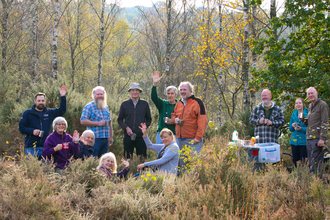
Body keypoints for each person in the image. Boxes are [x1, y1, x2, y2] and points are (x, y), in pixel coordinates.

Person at [19, 86, 67, 158]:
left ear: (45, 101)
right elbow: (21, 128)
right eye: (39, 101)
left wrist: (63, 96)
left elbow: (61, 110)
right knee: (32, 168)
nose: (41, 102)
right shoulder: (27, 113)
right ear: (35, 101)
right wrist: (32, 131)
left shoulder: (49, 112)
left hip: (46, 146)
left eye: (42, 101)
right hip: (31, 147)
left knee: (45, 168)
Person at [170, 81, 208, 171]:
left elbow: (203, 121)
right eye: (181, 90)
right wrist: (174, 119)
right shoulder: (178, 103)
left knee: (193, 164)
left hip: (193, 140)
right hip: (180, 140)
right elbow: (173, 115)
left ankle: (194, 183)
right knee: (182, 164)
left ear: (190, 91)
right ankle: (184, 182)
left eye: (185, 90)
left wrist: (198, 137)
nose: (182, 92)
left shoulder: (198, 102)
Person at [117, 82, 152, 159]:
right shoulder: (124, 104)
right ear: (129, 91)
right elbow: (119, 119)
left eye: (137, 90)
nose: (135, 92)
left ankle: (141, 171)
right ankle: (128, 171)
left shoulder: (145, 104)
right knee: (127, 158)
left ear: (139, 92)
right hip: (128, 136)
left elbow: (149, 119)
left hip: (141, 136)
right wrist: (126, 128)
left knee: (142, 158)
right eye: (133, 90)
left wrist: (145, 127)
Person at [301, 87, 329, 178]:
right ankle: (313, 183)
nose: (310, 95)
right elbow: (310, 123)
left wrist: (322, 139)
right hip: (309, 138)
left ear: (316, 93)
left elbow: (325, 122)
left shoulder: (322, 105)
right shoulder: (310, 106)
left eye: (312, 93)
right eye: (308, 94)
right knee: (311, 163)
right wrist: (302, 120)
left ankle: (318, 185)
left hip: (317, 139)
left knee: (316, 163)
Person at [81, 86, 113, 158]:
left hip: (105, 139)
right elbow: (83, 121)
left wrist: (111, 137)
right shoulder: (88, 107)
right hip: (94, 140)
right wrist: (97, 123)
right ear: (93, 95)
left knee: (103, 161)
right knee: (93, 159)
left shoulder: (106, 107)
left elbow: (109, 122)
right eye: (98, 94)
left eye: (101, 94)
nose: (100, 96)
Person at [151, 71, 178, 144]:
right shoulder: (163, 103)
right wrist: (155, 84)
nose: (170, 95)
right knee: (160, 154)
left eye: (172, 93)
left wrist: (172, 121)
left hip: (174, 136)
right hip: (161, 136)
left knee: (174, 154)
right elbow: (154, 97)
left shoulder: (180, 105)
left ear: (176, 95)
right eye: (168, 93)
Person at [289, 98, 308, 166]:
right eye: (296, 103)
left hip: (303, 141)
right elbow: (290, 129)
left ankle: (304, 175)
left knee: (304, 162)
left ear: (303, 104)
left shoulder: (307, 113)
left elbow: (311, 129)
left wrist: (301, 129)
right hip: (294, 141)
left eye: (300, 103)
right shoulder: (294, 114)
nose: (298, 105)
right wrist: (293, 126)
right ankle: (296, 175)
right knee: (295, 161)